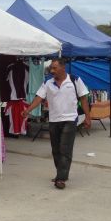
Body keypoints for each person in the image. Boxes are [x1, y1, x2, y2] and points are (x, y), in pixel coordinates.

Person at [22, 58, 91, 189]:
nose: (52, 71)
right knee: (56, 150)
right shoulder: (48, 83)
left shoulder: (75, 80)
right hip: (54, 120)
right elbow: (39, 97)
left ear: (63, 67)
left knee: (65, 149)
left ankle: (61, 178)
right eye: (51, 68)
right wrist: (28, 110)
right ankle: (61, 173)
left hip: (70, 120)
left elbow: (83, 98)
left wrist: (88, 116)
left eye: (54, 68)